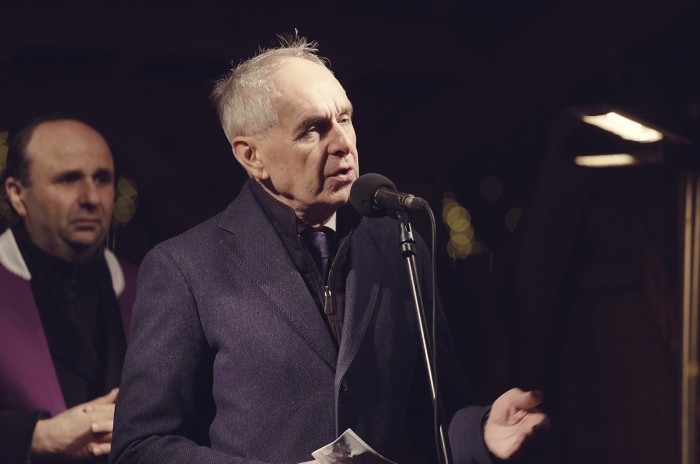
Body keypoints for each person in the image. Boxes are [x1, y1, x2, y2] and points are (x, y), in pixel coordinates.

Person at [111, 37, 546, 464]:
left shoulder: (398, 245)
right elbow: (140, 447)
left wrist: (481, 432)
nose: (343, 143)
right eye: (312, 129)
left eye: (345, 118)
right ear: (251, 156)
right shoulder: (186, 268)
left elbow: (434, 411)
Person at [0, 118, 137, 463]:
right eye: (69, 179)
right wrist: (37, 437)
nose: (91, 198)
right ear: (17, 194)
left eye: (102, 179)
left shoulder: (147, 289)